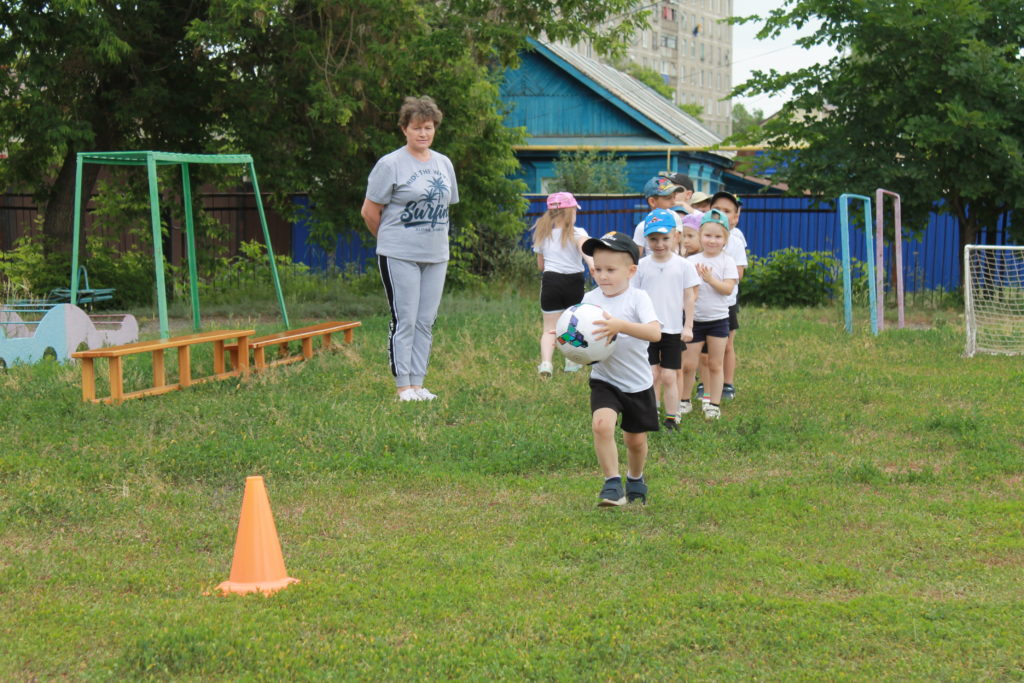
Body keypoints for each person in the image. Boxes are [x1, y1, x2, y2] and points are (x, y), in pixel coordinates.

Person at [361, 95, 459, 402]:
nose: (423, 134)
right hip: (399, 253)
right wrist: (391, 242)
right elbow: (369, 211)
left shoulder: (443, 163)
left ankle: (419, 383)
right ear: (404, 129)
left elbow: (446, 206)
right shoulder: (390, 164)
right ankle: (403, 386)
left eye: (428, 128)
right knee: (404, 318)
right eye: (416, 128)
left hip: (436, 254)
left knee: (425, 320)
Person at [579, 231, 661, 507]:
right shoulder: (590, 299)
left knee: (635, 442)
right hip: (604, 379)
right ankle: (612, 484)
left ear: (631, 271)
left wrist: (620, 326)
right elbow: (578, 331)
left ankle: (635, 477)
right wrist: (566, 340)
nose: (603, 276)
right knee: (601, 425)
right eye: (597, 269)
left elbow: (654, 333)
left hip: (637, 383)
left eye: (610, 270)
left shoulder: (638, 298)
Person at [634, 209, 699, 431]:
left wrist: (688, 325)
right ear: (646, 239)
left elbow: (689, 296)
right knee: (651, 374)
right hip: (648, 330)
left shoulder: (683, 265)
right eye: (653, 239)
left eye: (665, 238)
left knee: (670, 375)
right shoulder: (641, 266)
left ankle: (672, 417)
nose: (659, 244)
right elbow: (634, 297)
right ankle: (651, 413)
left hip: (672, 330)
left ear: (675, 237)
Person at [680, 209, 737, 420]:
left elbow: (727, 289)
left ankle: (713, 402)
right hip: (694, 321)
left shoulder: (727, 261)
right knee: (688, 364)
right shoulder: (690, 261)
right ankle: (684, 400)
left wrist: (710, 279)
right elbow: (685, 291)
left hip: (719, 321)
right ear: (700, 235)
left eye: (717, 236)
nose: (712, 240)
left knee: (715, 364)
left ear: (725, 239)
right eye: (708, 235)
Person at [531, 191, 593, 376]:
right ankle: (571, 362)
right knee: (573, 324)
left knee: (550, 328)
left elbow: (541, 265)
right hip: (574, 282)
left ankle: (546, 364)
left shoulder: (542, 235)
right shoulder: (578, 232)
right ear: (569, 212)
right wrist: (591, 263)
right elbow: (584, 247)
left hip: (551, 281)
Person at [709, 191, 748, 400]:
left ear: (735, 217)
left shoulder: (735, 241)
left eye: (727, 211)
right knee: (703, 349)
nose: (722, 214)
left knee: (726, 344)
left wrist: (718, 276)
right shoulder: (703, 237)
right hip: (703, 301)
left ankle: (727, 383)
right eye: (717, 210)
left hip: (726, 301)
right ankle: (705, 384)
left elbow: (739, 273)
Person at [631, 176, 684, 254]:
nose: (673, 202)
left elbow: (679, 245)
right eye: (668, 198)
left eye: (674, 197)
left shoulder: (675, 217)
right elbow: (636, 255)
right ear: (652, 201)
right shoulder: (642, 227)